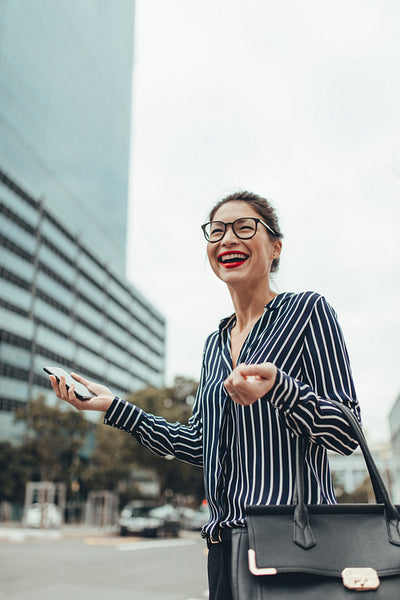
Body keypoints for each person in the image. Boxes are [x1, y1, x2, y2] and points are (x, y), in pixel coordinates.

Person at [49, 191, 360, 600]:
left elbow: (346, 431)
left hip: (294, 541)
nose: (228, 239)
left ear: (275, 247)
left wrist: (281, 389)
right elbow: (200, 443)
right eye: (217, 231)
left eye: (244, 227)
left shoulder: (308, 312)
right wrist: (114, 407)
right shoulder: (214, 344)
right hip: (222, 548)